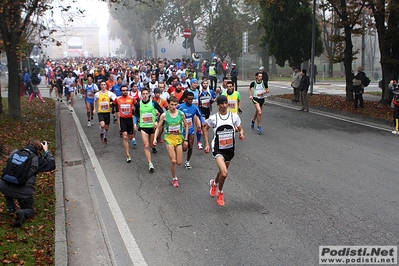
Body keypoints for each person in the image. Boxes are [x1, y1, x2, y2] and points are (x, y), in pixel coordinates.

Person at [0, 139, 55, 227]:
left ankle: (11, 208)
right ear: (38, 149)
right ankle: (22, 213)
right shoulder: (36, 159)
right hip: (23, 192)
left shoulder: (14, 153)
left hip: (3, 186)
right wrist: (46, 151)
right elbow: (51, 164)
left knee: (8, 184)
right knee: (29, 210)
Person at [203, 95, 245, 207]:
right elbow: (205, 128)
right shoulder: (214, 118)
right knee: (225, 173)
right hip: (218, 149)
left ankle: (214, 183)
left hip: (229, 149)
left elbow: (240, 128)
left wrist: (241, 133)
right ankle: (220, 193)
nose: (224, 105)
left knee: (222, 171)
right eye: (221, 104)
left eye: (225, 103)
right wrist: (207, 144)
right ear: (218, 106)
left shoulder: (234, 117)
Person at [153, 96, 189, 187]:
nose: (173, 107)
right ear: (168, 104)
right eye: (172, 105)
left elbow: (186, 125)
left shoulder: (181, 114)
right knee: (173, 160)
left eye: (175, 105)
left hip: (178, 138)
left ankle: (174, 174)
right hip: (169, 138)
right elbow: (158, 127)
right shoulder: (164, 115)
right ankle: (174, 179)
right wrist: (154, 139)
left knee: (179, 162)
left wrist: (185, 139)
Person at [134, 87, 164, 172]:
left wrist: (157, 122)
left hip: (152, 127)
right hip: (143, 127)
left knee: (152, 145)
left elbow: (162, 112)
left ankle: (154, 145)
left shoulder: (153, 103)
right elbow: (136, 115)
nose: (145, 95)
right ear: (141, 95)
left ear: (149, 94)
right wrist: (135, 123)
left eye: (146, 94)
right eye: (143, 94)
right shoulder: (138, 104)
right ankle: (150, 164)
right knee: (146, 146)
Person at [178, 91, 205, 169]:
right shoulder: (180, 107)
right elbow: (173, 112)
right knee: (184, 148)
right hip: (181, 130)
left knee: (190, 146)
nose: (190, 101)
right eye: (189, 99)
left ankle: (187, 161)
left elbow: (200, 115)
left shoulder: (194, 107)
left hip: (190, 129)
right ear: (185, 99)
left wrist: (203, 122)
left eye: (191, 99)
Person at [114, 84, 136, 160]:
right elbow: (113, 105)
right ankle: (127, 154)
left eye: (126, 90)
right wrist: (116, 112)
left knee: (130, 137)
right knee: (125, 136)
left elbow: (137, 106)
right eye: (123, 90)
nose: (125, 92)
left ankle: (132, 137)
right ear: (121, 91)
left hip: (130, 119)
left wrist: (135, 114)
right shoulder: (117, 99)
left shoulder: (132, 98)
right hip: (123, 119)